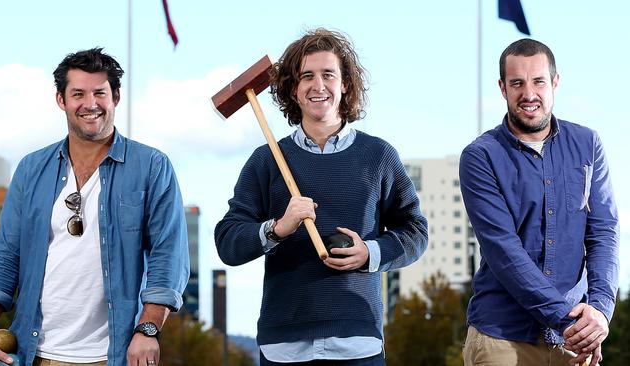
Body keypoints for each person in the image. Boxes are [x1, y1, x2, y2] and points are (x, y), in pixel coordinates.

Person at [214, 28, 428, 365]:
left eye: (328, 74)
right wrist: (278, 228)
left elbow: (415, 232)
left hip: (359, 342)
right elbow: (227, 242)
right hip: (284, 346)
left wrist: (369, 253)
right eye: (307, 76)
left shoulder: (378, 156)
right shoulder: (266, 160)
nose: (318, 85)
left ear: (345, 84)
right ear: (293, 89)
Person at [0, 48, 189, 366]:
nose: (90, 104)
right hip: (32, 353)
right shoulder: (31, 169)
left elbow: (168, 255)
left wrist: (148, 330)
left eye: (100, 93)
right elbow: (6, 255)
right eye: (78, 93)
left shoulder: (151, 167)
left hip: (113, 356)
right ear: (61, 100)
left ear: (115, 97)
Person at [460, 38, 619, 366]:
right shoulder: (480, 157)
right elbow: (504, 252)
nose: (528, 93)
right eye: (517, 83)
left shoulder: (588, 144)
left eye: (538, 81)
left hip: (572, 340)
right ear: (502, 88)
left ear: (555, 83)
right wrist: (572, 323)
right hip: (502, 339)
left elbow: (604, 234)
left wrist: (600, 313)